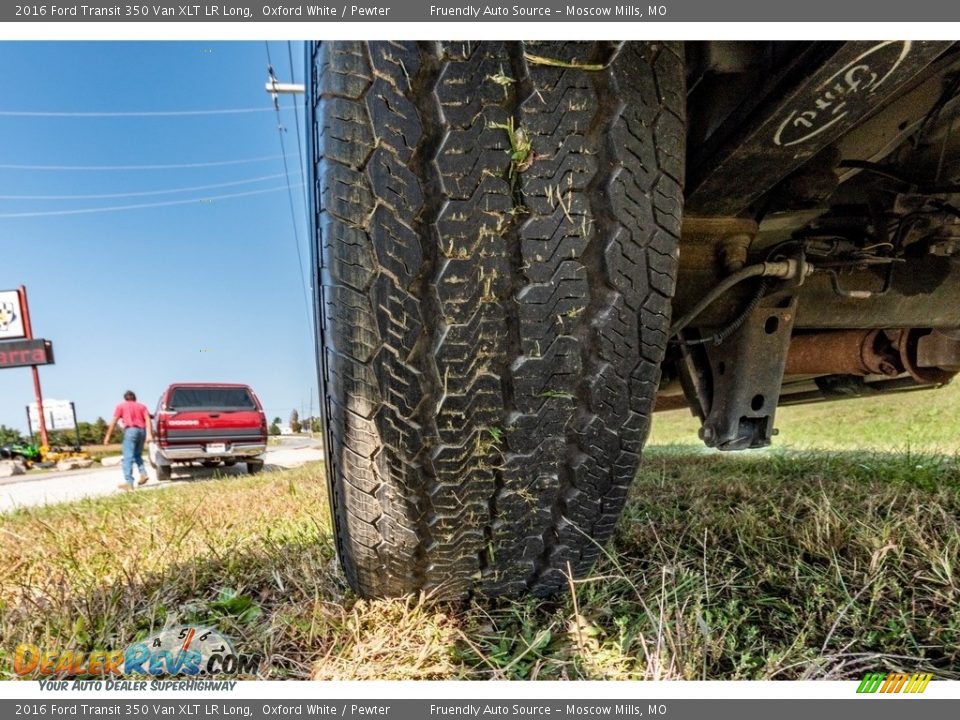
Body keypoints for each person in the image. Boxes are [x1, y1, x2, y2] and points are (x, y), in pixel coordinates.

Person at [103, 390, 153, 491]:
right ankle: (143, 474)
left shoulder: (121, 406)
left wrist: (107, 436)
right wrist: (149, 434)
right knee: (137, 455)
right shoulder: (142, 406)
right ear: (135, 398)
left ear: (125, 398)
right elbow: (148, 419)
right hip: (142, 431)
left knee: (127, 457)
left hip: (131, 430)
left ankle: (129, 483)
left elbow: (114, 421)